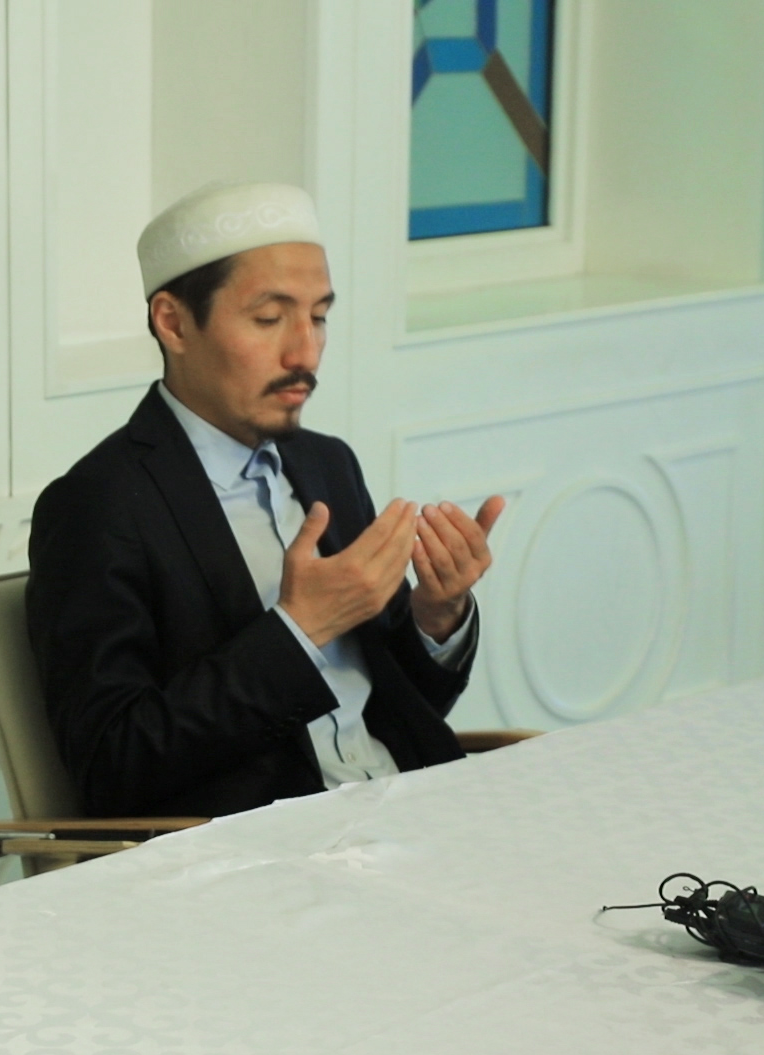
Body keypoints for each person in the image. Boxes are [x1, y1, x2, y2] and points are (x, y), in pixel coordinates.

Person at [26, 182, 505, 819]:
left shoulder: (327, 464)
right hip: (260, 846)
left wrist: (437, 616)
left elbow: (399, 708)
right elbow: (113, 767)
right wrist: (299, 631)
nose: (305, 352)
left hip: (409, 806)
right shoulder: (99, 505)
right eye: (269, 319)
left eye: (319, 317)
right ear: (173, 323)